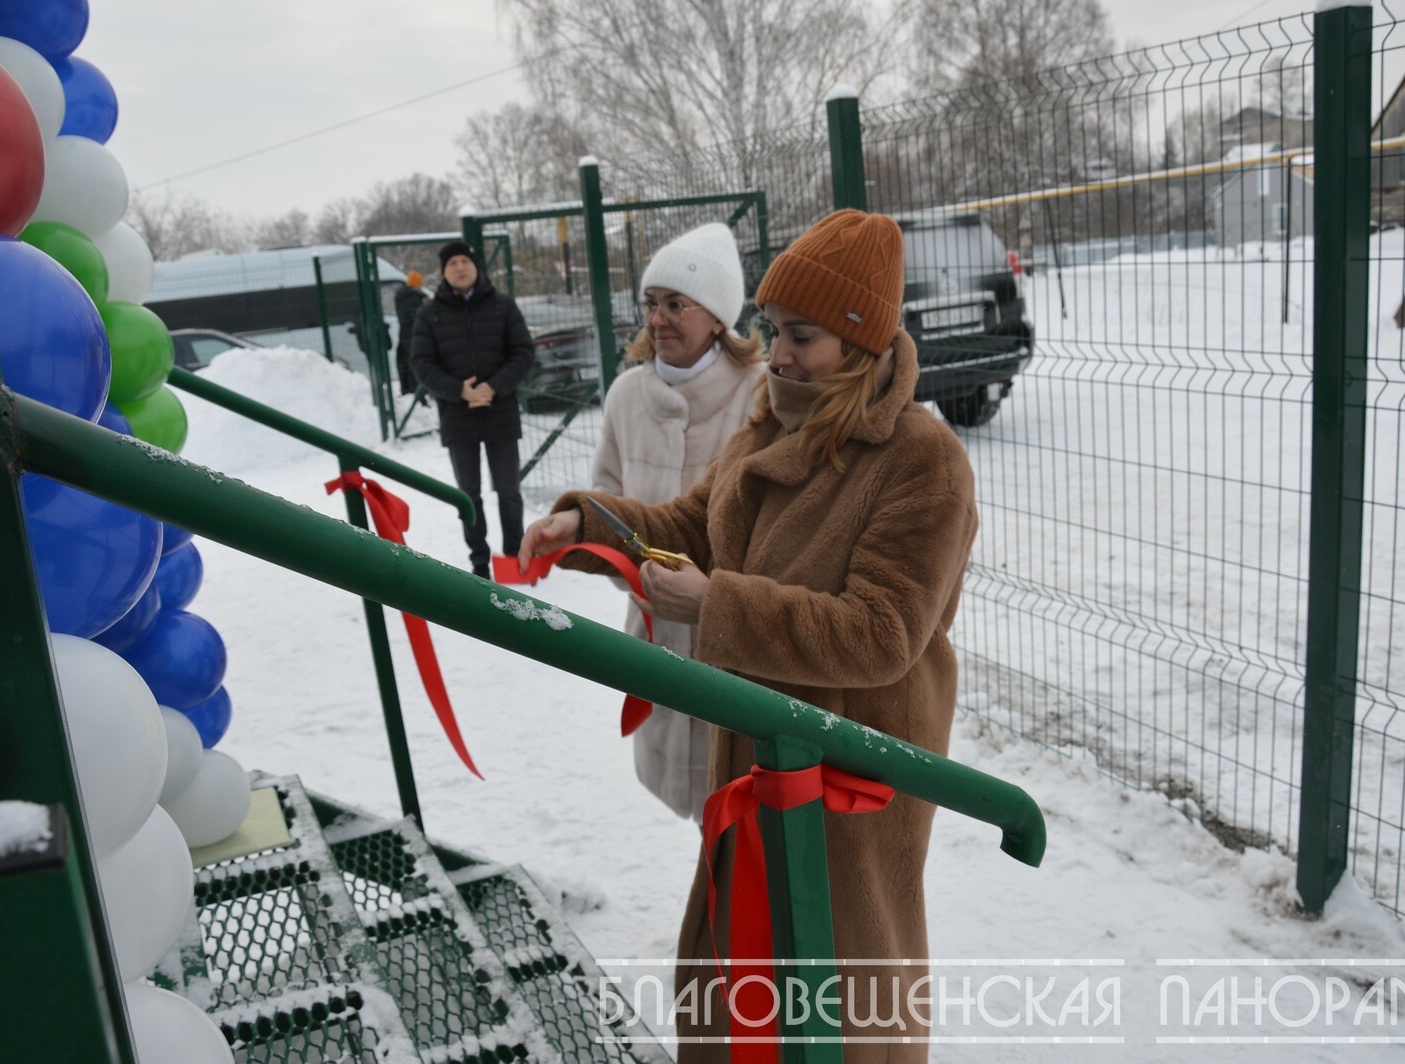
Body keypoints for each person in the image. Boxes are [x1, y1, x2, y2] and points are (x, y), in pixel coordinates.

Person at [519, 209, 978, 1059]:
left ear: (859, 343)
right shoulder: (772, 420)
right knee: (746, 967)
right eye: (774, 330)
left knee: (841, 988)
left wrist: (718, 608)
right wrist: (588, 527)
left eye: (802, 337)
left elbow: (882, 633)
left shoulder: (921, 458)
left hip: (851, 765)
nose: (780, 355)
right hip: (760, 744)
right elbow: (694, 526)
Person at [593, 223, 767, 823]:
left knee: (742, 804)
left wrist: (713, 597)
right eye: (650, 303)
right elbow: (607, 500)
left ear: (717, 317)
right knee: (701, 814)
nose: (657, 320)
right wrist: (635, 573)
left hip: (735, 643)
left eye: (675, 304)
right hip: (655, 631)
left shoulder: (760, 395)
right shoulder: (625, 395)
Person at [412, 240, 535, 579]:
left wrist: (494, 386)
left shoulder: (502, 306)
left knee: (509, 491)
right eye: (452, 263)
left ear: (476, 266)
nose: (460, 268)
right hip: (457, 417)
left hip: (501, 411)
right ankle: (479, 562)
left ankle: (515, 556)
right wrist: (459, 391)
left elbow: (523, 352)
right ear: (444, 271)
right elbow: (421, 363)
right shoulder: (429, 314)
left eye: (465, 261)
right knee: (468, 494)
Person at [393, 269, 426, 396]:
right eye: (420, 284)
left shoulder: (401, 297)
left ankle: (407, 390)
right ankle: (418, 393)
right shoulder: (412, 299)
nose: (421, 287)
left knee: (405, 363)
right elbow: (418, 318)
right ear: (415, 284)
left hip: (404, 335)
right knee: (416, 364)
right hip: (414, 336)